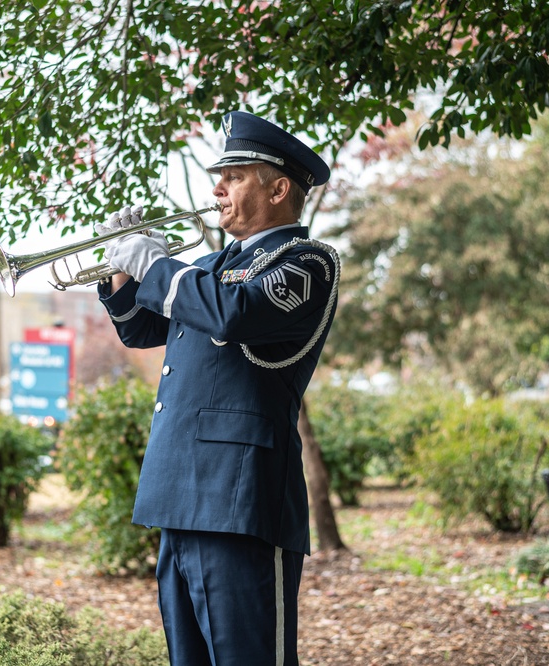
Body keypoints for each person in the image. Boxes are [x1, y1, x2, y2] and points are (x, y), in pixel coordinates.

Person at [95, 110, 339, 666]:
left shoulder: (306, 262)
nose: (217, 187)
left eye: (235, 175)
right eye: (218, 176)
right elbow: (141, 328)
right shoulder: (207, 269)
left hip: (242, 497)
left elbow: (233, 315)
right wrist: (121, 265)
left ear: (279, 189)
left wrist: (156, 264)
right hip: (179, 493)